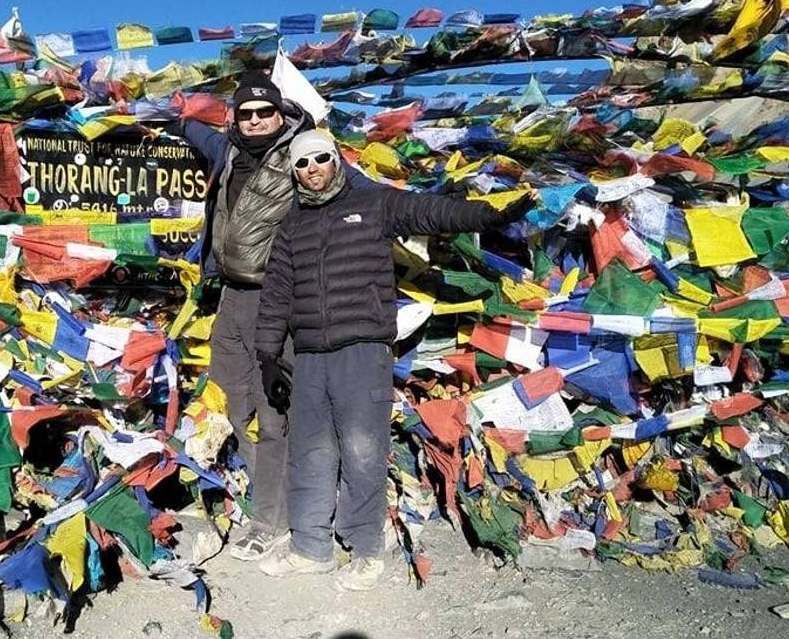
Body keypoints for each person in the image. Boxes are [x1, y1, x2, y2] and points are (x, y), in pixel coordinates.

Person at [253, 130, 534, 591]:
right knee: (310, 453)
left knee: (363, 450)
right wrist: (267, 355)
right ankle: (310, 547)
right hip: (308, 356)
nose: (313, 169)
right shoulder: (290, 227)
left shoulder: (372, 204)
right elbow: (277, 295)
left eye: (321, 159)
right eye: (302, 164)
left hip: (362, 351)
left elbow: (430, 210)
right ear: (294, 172)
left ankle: (365, 550)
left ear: (336, 161)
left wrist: (488, 214)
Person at [165, 71, 315, 561]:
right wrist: (176, 116)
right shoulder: (231, 152)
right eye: (245, 113)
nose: (254, 121)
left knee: (273, 414)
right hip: (230, 296)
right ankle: (268, 501)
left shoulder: (303, 155)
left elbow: (360, 198)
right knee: (230, 400)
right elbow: (200, 134)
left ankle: (272, 520)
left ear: (280, 112)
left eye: (263, 112)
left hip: (278, 301)